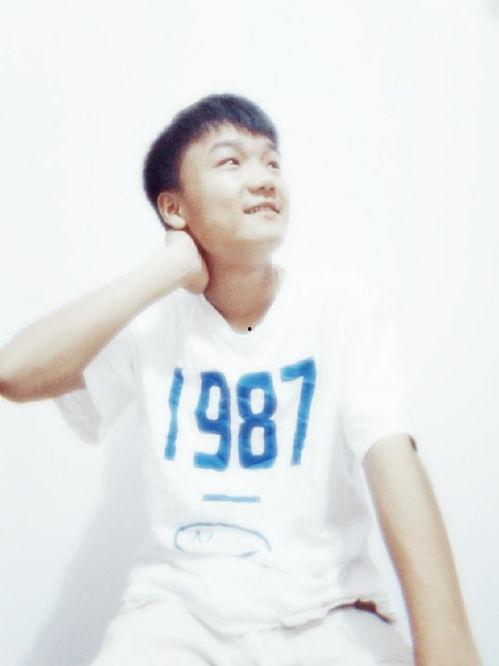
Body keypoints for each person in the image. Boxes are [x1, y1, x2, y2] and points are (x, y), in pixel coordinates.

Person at [0, 94, 481, 665]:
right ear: (174, 207)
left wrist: (447, 645)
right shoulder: (151, 324)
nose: (264, 179)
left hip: (327, 609)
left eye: (271, 162)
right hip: (175, 614)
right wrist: (166, 269)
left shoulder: (340, 306)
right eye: (231, 161)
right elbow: (14, 373)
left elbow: (391, 456)